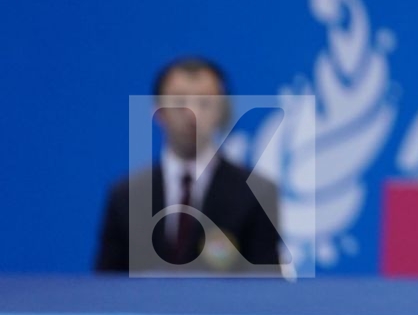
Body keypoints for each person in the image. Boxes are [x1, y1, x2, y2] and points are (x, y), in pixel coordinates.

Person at [96, 57, 283, 274]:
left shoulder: (256, 193)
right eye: (178, 101)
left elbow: (267, 287)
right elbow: (106, 287)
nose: (191, 114)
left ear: (222, 111)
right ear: (157, 110)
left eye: (204, 102)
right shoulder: (126, 196)